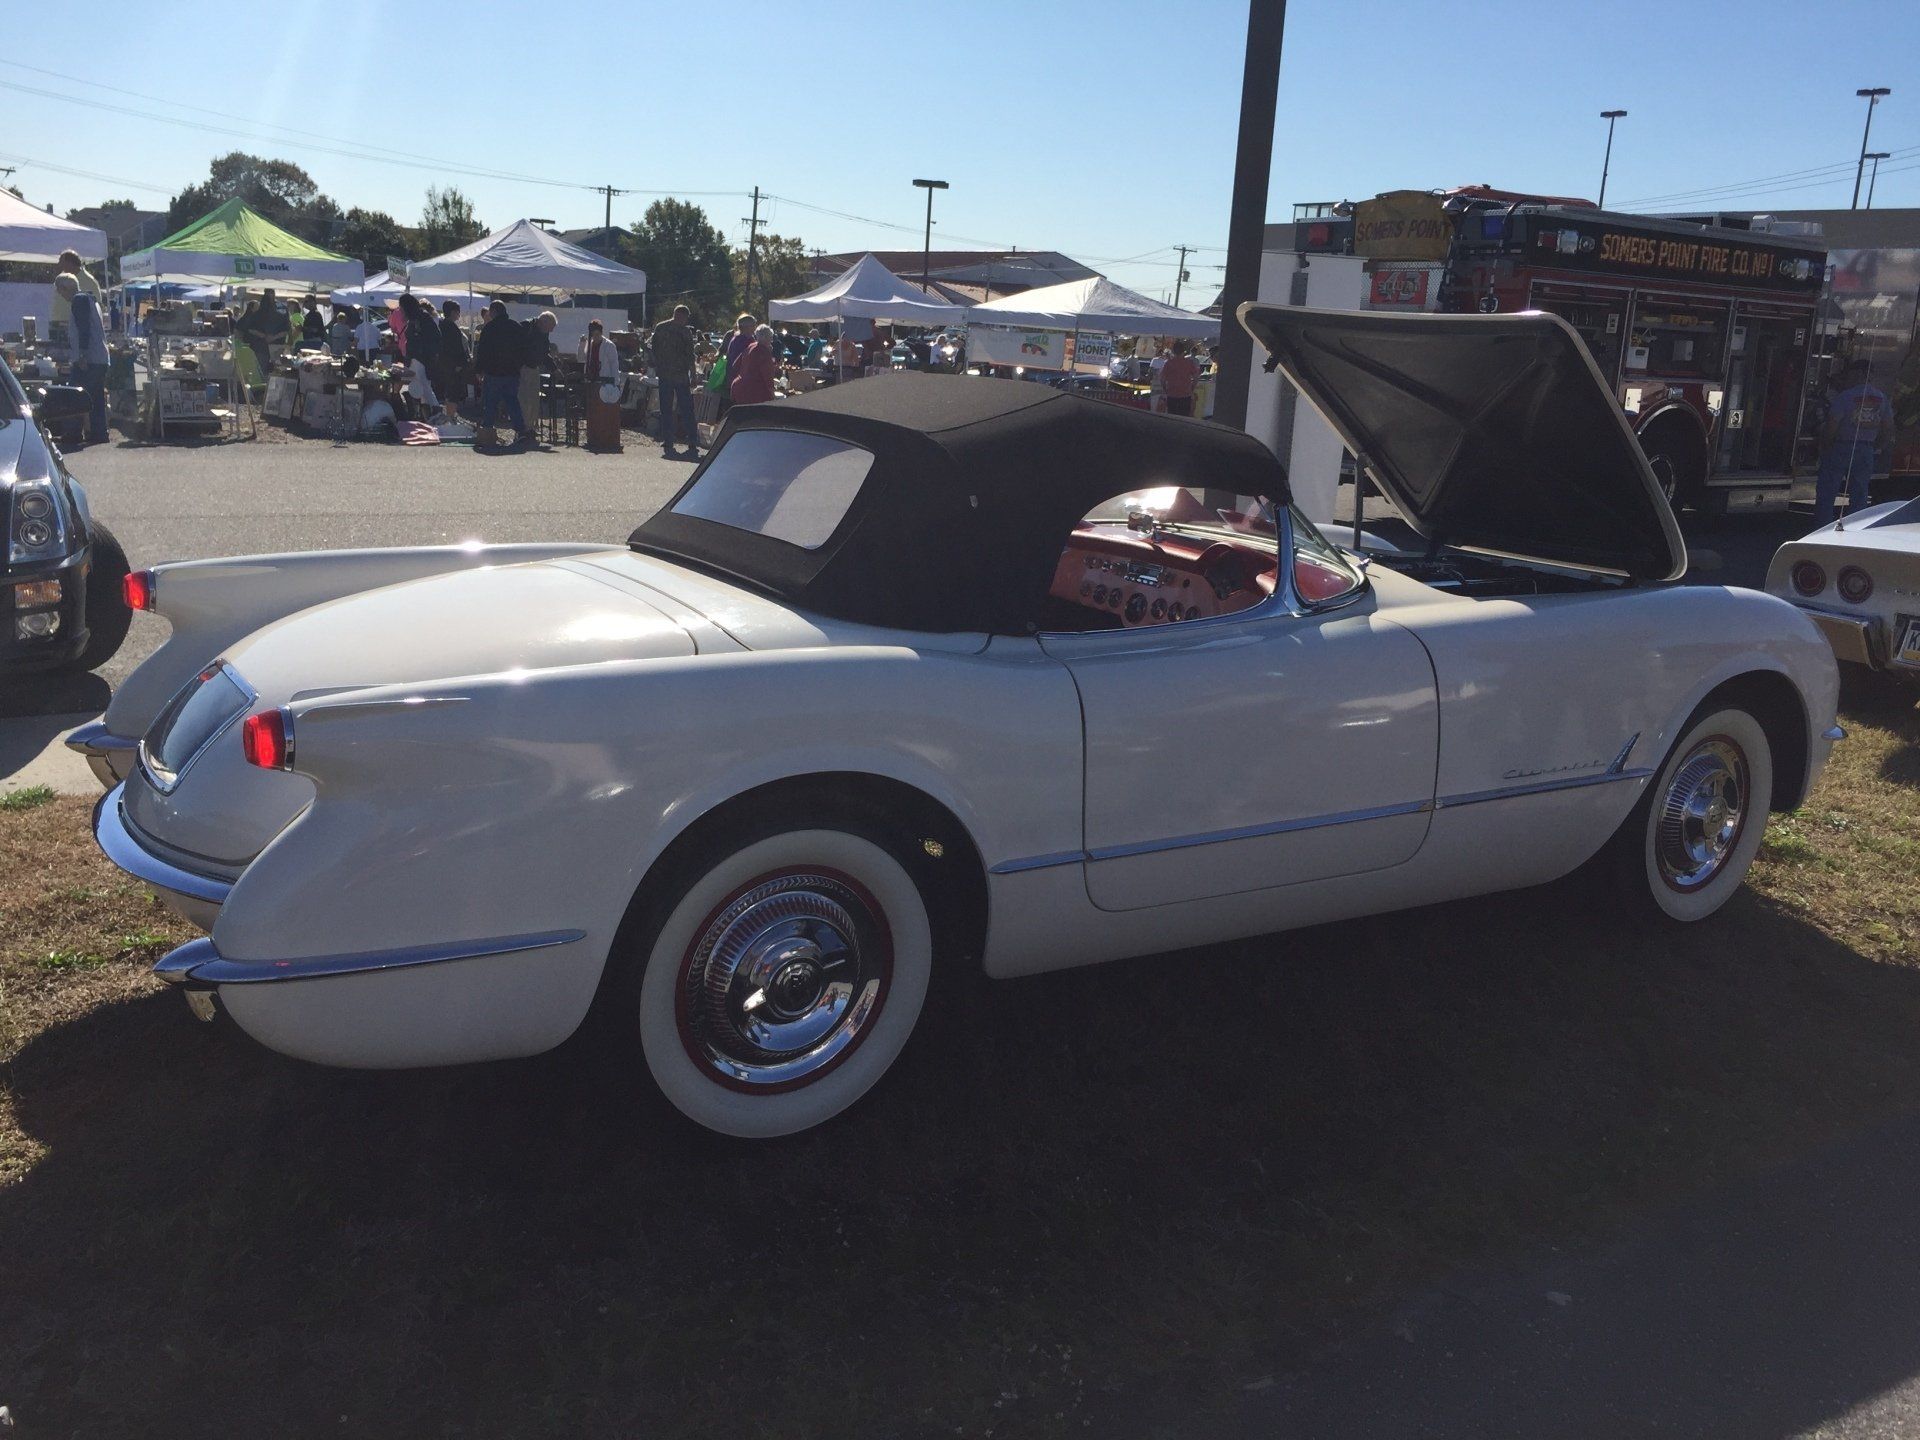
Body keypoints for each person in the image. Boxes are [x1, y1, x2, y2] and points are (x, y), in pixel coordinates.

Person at [1815, 358, 1895, 526]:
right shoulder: (1881, 398)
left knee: (1827, 492)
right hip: (1865, 450)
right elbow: (1888, 427)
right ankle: (1856, 528)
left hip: (1841, 447)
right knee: (1859, 494)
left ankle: (1822, 528)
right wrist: (1877, 447)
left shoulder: (1846, 396)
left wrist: (1826, 446)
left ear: (1858, 373)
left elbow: (1832, 424)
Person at [55, 272, 110, 444]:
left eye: (59, 290)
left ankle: (73, 432)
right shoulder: (91, 300)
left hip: (89, 358)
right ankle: (100, 433)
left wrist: (82, 354)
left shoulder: (78, 300)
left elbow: (83, 328)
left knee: (74, 395)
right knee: (95, 397)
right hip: (100, 357)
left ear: (65, 288)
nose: (59, 294)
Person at [474, 299, 530, 447]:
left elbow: (483, 351)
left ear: (493, 312)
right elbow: (524, 349)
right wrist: (518, 365)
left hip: (493, 372)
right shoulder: (515, 326)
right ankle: (520, 431)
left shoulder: (489, 328)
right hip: (512, 372)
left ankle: (487, 432)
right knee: (512, 402)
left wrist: (479, 370)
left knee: (491, 403)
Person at [649, 303, 699, 458]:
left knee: (669, 409)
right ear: (681, 315)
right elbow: (690, 355)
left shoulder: (661, 327)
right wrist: (694, 374)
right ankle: (690, 440)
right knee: (683, 409)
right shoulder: (684, 332)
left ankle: (672, 440)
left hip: (668, 375)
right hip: (678, 376)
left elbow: (652, 348)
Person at [580, 319, 624, 452]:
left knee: (605, 412)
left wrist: (615, 383)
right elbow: (582, 358)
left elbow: (614, 364)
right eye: (593, 334)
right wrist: (582, 344)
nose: (595, 336)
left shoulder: (609, 345)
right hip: (592, 382)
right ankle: (594, 437)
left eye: (597, 333)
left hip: (605, 381)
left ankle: (606, 438)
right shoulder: (590, 343)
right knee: (592, 411)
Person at [398, 295, 441, 418]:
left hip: (420, 357)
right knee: (421, 387)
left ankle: (435, 411)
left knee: (422, 385)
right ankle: (428, 416)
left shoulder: (420, 318)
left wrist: (420, 351)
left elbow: (433, 338)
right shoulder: (420, 317)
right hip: (419, 357)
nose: (400, 310)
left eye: (401, 307)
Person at [48, 248, 103, 341]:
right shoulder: (61, 278)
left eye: (61, 262)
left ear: (69, 263)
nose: (59, 265)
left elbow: (97, 307)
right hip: (56, 326)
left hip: (74, 330)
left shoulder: (89, 281)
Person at [519, 310, 557, 440]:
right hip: (523, 368)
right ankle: (524, 428)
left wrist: (553, 368)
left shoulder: (543, 332)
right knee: (524, 399)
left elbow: (544, 352)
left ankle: (530, 427)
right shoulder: (526, 327)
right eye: (550, 328)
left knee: (534, 400)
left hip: (534, 368)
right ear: (543, 323)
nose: (551, 331)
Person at [436, 300, 471, 420]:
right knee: (453, 393)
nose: (459, 315)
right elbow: (456, 347)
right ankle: (450, 416)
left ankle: (449, 415)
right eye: (457, 312)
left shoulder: (441, 325)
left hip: (443, 364)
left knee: (448, 393)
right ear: (452, 312)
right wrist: (461, 363)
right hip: (453, 366)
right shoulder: (451, 327)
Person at [729, 323, 779, 407]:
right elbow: (768, 375)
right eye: (770, 338)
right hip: (753, 392)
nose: (771, 341)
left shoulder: (750, 346)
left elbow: (735, 365)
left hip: (738, 387)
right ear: (764, 338)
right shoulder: (763, 352)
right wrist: (772, 393)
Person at [1159, 341, 1200, 417]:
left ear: (1173, 351)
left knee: (1172, 418)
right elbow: (1196, 377)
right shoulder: (1189, 363)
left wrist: (1165, 390)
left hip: (1172, 394)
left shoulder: (1168, 363)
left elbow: (1162, 379)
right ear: (1183, 351)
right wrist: (1192, 388)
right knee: (1184, 418)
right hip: (1185, 394)